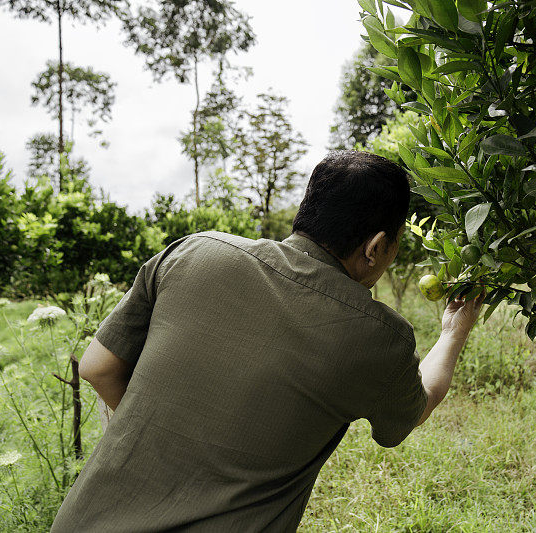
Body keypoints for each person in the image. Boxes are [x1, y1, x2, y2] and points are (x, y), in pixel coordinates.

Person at [50, 150, 484, 532]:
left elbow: (97, 367)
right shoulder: (377, 336)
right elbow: (418, 405)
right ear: (376, 247)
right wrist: (453, 331)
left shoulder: (193, 251)